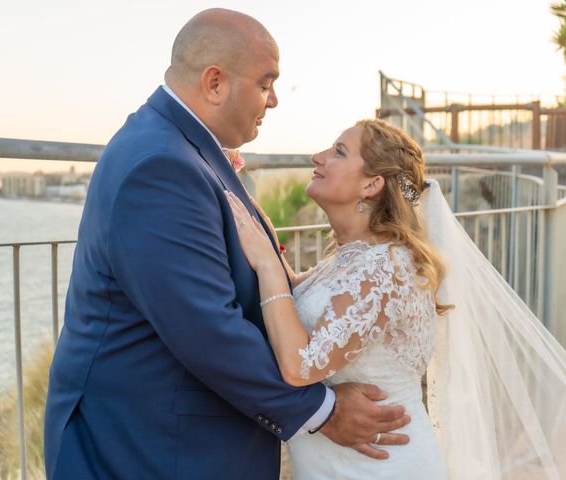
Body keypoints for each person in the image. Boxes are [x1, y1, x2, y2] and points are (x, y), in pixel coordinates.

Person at [43, 9, 411, 480]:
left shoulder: (178, 148)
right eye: (265, 83)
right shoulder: (161, 167)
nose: (274, 100)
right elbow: (207, 329)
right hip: (147, 447)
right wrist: (322, 410)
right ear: (215, 83)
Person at [227, 119, 566, 479]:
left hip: (378, 468)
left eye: (339, 151)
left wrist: (266, 264)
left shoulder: (385, 269)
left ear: (372, 185)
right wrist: (233, 184)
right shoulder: (352, 260)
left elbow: (300, 366)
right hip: (341, 462)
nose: (318, 156)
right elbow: (294, 297)